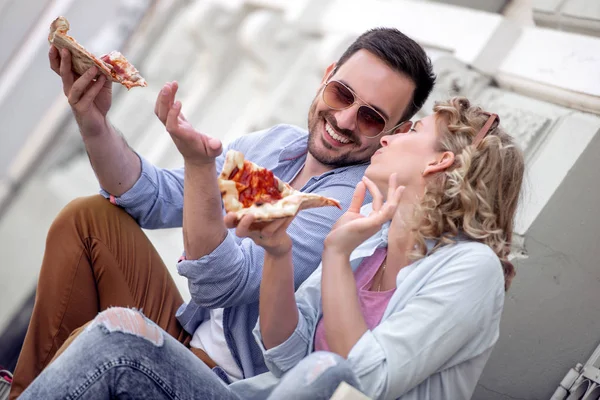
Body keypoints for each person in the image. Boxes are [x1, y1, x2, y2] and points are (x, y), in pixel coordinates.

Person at [10, 28, 436, 398]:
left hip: (224, 384)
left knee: (110, 334)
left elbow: (224, 285)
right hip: (187, 334)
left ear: (392, 135)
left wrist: (199, 167)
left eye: (370, 118)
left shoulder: (350, 202)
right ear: (326, 77)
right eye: (342, 93)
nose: (343, 119)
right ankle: (23, 391)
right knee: (88, 219)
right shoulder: (276, 144)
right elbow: (153, 198)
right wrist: (94, 121)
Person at [19, 96, 524, 400]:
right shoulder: (368, 249)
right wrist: (280, 253)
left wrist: (330, 252)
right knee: (115, 328)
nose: (390, 136)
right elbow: (284, 354)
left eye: (410, 129)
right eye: (341, 93)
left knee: (117, 343)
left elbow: (362, 379)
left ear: (439, 164)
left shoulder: (471, 268)